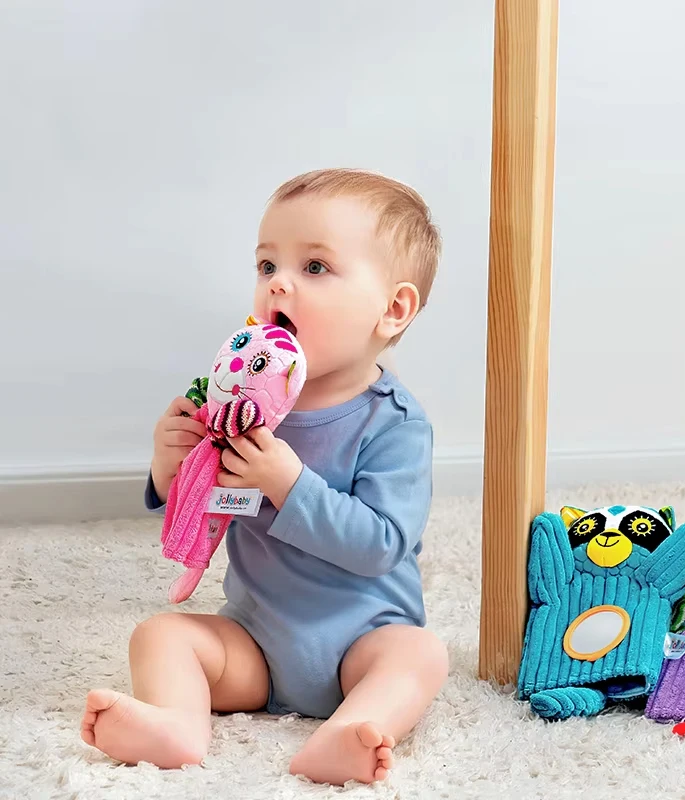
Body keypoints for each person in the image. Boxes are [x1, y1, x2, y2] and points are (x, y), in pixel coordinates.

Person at [80, 168, 449, 785]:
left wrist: (289, 483)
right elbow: (209, 504)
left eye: (315, 268)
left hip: (361, 643)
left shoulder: (396, 424)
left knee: (421, 655)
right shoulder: (240, 403)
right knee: (160, 635)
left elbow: (383, 545)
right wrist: (171, 467)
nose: (278, 283)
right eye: (265, 265)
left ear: (392, 308)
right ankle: (177, 724)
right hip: (255, 642)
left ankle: (348, 733)